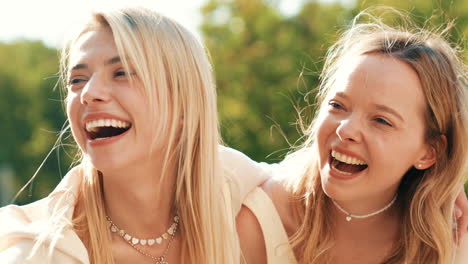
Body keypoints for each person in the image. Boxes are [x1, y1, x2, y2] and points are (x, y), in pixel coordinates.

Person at [0, 7, 268, 264]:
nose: (89, 93)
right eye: (76, 80)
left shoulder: (256, 213)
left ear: (185, 102)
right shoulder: (35, 253)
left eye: (122, 73)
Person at [237, 11, 468, 264]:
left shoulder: (447, 245)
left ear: (429, 152)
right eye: (337, 106)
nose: (345, 130)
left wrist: (445, 182)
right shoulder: (256, 218)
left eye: (381, 120)